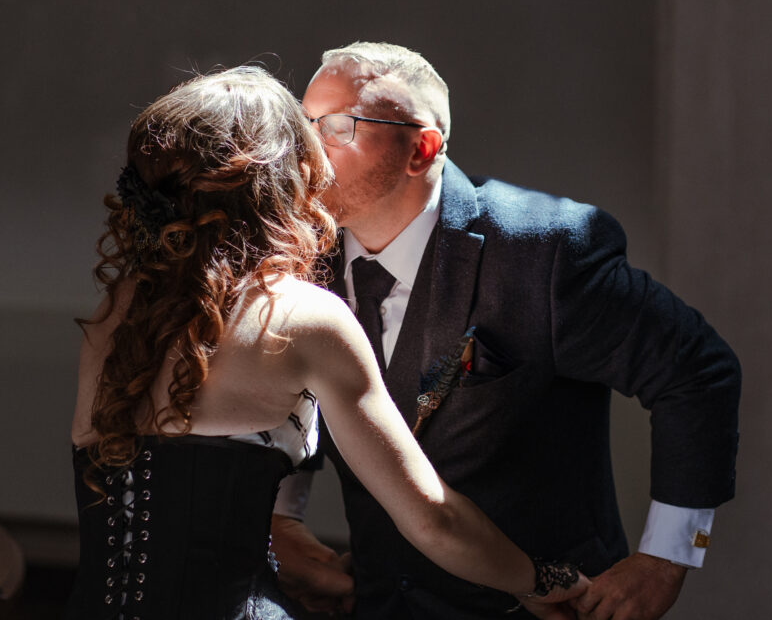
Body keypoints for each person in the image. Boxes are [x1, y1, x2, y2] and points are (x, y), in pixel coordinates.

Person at [64, 66, 591, 620]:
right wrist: (542, 581)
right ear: (286, 176)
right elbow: (434, 519)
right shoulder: (304, 317)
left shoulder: (118, 309)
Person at [270, 43, 741, 620]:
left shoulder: (542, 251)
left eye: (340, 126)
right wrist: (284, 516)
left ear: (422, 148)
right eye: (304, 123)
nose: (308, 150)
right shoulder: (299, 256)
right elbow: (302, 386)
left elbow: (697, 369)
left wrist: (667, 558)